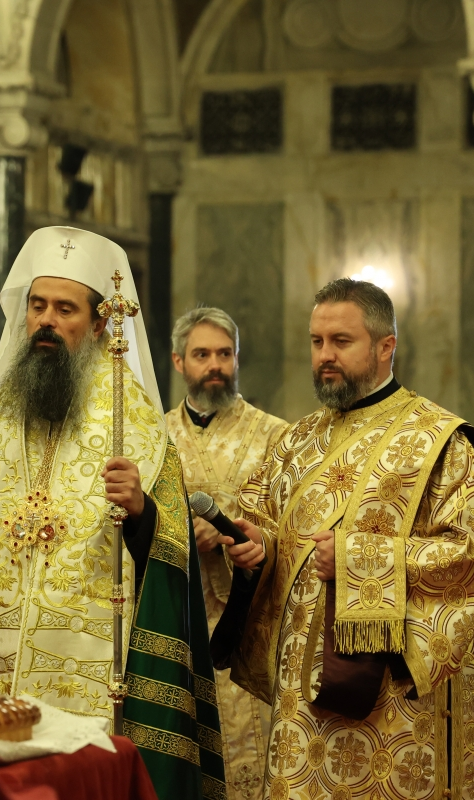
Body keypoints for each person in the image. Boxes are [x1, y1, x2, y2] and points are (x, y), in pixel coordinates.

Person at [0, 227, 225, 800]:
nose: (47, 321)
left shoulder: (137, 430)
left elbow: (173, 557)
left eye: (65, 309)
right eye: (38, 306)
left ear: (100, 324)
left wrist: (142, 512)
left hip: (96, 696)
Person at [222, 278, 474, 800]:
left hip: (394, 703)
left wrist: (360, 559)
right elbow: (262, 517)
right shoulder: (296, 439)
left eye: (341, 341)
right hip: (302, 698)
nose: (325, 356)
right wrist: (257, 547)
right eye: (316, 342)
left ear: (385, 346)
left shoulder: (440, 442)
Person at [165, 307, 288, 800]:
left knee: (251, 749)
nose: (214, 365)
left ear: (237, 358)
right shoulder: (154, 437)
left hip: (249, 620)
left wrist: (242, 535)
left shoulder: (277, 435)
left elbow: (291, 525)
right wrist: (179, 533)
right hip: (181, 615)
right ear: (179, 362)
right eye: (201, 354)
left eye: (224, 353)